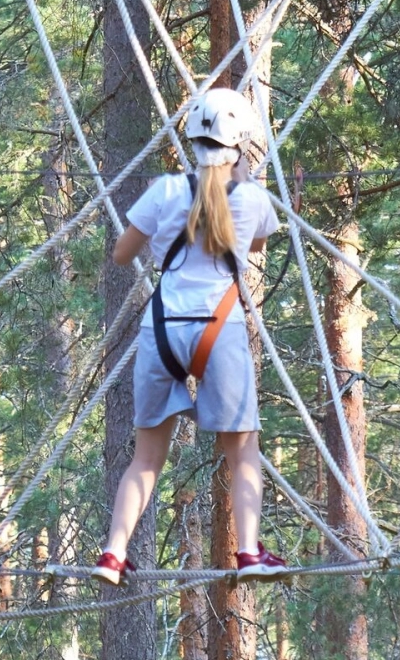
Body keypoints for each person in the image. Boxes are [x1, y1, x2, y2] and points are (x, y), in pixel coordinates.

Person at [92, 88, 287, 586]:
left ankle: (114, 554)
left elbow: (121, 253)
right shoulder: (252, 200)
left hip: (162, 329)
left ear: (190, 141)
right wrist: (239, 181)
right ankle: (247, 551)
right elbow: (258, 242)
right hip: (220, 330)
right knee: (242, 450)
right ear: (241, 146)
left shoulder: (164, 191)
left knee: (146, 457)